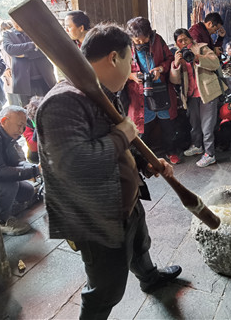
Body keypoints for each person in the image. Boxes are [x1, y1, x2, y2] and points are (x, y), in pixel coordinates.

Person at [36, 23, 181, 319]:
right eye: (130, 61)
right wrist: (122, 135)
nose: (131, 69)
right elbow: (74, 163)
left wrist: (143, 162)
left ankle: (150, 278)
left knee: (140, 247)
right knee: (106, 286)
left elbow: (116, 144)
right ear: (114, 57)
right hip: (97, 214)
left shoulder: (100, 91)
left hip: (125, 201)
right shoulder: (63, 101)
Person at [125, 17, 179, 165]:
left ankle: (171, 151)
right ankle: (143, 157)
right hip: (139, 93)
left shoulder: (158, 40)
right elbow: (119, 69)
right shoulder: (125, 46)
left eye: (144, 39)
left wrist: (160, 69)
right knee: (142, 128)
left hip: (161, 90)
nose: (141, 43)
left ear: (149, 34)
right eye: (137, 41)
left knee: (167, 124)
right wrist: (132, 76)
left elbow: (170, 59)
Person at [0, 105, 37, 235]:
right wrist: (34, 171)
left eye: (23, 127)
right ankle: (1, 220)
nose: (21, 131)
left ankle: (5, 207)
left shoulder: (5, 134)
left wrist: (35, 168)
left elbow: (16, 162)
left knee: (28, 191)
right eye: (19, 125)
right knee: (10, 183)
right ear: (4, 121)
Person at [170, 28, 226, 168]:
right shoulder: (178, 55)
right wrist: (176, 65)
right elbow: (175, 81)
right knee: (194, 124)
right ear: (177, 44)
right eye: (180, 41)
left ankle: (210, 154)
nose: (184, 42)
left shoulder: (202, 48)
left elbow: (215, 64)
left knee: (207, 126)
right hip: (191, 94)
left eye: (185, 39)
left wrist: (196, 57)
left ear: (190, 38)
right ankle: (197, 145)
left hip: (207, 92)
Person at [2, 21, 56, 106]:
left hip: (45, 78)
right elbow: (10, 49)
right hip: (22, 81)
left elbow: (46, 49)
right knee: (27, 110)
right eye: (14, 20)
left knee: (49, 106)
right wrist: (33, 45)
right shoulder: (8, 34)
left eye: (19, 19)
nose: (18, 23)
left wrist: (24, 54)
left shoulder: (36, 31)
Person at [23, 96, 43, 164]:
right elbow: (33, 146)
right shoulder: (26, 121)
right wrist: (37, 126)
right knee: (33, 157)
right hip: (37, 150)